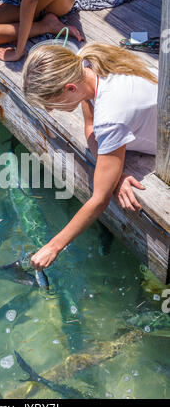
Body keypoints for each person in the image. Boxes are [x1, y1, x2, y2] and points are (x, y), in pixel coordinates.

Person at [22, 42, 158, 270]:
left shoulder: (112, 115)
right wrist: (117, 171)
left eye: (50, 103)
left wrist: (53, 247)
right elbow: (90, 126)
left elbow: (100, 199)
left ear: (70, 88)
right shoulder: (85, 64)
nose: (50, 110)